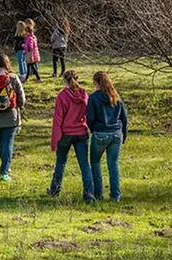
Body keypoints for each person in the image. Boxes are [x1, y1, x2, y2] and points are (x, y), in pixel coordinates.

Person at [48, 70, 93, 201]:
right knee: (84, 165)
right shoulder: (84, 94)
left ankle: (54, 191)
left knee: (60, 163)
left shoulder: (62, 96)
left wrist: (54, 141)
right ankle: (89, 194)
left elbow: (58, 120)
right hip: (81, 132)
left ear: (64, 80)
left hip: (66, 134)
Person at [87, 71, 128, 202]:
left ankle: (98, 193)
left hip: (100, 132)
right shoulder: (116, 97)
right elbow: (124, 118)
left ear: (96, 83)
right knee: (113, 165)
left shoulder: (93, 98)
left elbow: (90, 118)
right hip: (116, 133)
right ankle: (115, 195)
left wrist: (93, 130)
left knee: (95, 162)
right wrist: (124, 135)